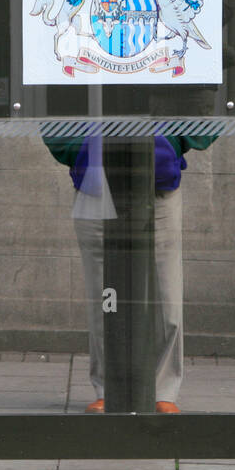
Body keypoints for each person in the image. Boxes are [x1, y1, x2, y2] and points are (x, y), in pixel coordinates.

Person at [44, 130, 216, 414]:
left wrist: (171, 142)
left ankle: (163, 391)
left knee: (166, 298)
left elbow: (209, 98)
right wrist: (80, 149)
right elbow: (47, 99)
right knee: (104, 298)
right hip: (95, 182)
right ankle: (109, 389)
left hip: (157, 181)